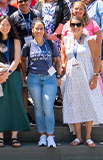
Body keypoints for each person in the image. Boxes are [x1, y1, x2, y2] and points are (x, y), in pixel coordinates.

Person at [61, 16, 103, 148]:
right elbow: (64, 59)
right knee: (75, 104)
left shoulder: (89, 40)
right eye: (73, 24)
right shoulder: (67, 40)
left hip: (86, 75)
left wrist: (95, 76)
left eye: (78, 25)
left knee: (88, 103)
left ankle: (88, 136)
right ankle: (78, 137)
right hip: (72, 77)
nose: (75, 27)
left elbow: (97, 59)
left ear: (83, 25)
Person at [0, 15, 30, 147]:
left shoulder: (16, 41)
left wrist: (8, 73)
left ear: (11, 27)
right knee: (0, 105)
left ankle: (14, 136)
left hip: (14, 75)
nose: (5, 27)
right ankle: (0, 136)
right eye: (2, 24)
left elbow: (17, 60)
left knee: (15, 104)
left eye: (7, 25)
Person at [22, 19, 60, 148]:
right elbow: (23, 60)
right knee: (38, 109)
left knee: (48, 107)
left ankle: (50, 136)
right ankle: (42, 135)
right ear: (32, 30)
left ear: (44, 30)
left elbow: (57, 60)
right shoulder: (28, 45)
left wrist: (58, 74)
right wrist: (25, 74)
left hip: (49, 79)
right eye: (36, 28)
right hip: (34, 79)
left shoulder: (50, 44)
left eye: (41, 28)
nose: (39, 31)